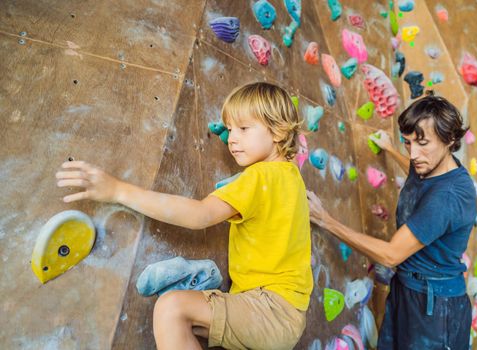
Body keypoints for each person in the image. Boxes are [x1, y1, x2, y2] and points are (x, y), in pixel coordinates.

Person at [56, 82, 313, 350]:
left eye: (244, 129)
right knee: (188, 322)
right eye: (230, 130)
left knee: (172, 308)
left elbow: (199, 214)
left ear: (277, 131)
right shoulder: (291, 178)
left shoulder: (262, 176)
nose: (233, 138)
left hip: (268, 308)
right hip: (284, 314)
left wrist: (118, 190)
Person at [307, 94, 477, 350]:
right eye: (408, 143)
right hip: (409, 289)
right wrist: (390, 150)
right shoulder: (433, 164)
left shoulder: (447, 197)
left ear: (450, 140)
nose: (414, 153)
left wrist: (325, 220)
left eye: (422, 143)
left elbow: (390, 255)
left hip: (434, 306)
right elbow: (415, 169)